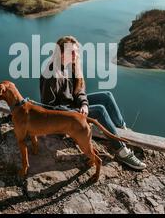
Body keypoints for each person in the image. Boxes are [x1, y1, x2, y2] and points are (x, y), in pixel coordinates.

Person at [40, 36, 146, 170]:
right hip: (61, 117)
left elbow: (79, 91)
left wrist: (84, 104)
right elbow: (49, 108)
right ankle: (122, 151)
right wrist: (76, 113)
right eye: (70, 52)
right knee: (99, 110)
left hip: (72, 106)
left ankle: (122, 130)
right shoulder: (51, 73)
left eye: (76, 51)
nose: (75, 55)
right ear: (60, 53)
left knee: (106, 96)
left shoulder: (71, 66)